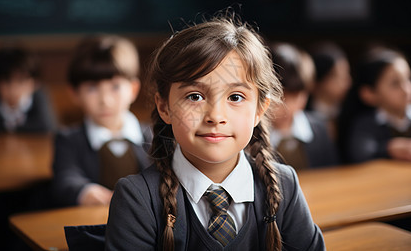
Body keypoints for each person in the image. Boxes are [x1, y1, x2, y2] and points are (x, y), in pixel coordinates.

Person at [105, 16, 324, 250]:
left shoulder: (284, 185)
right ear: (164, 107)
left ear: (260, 109)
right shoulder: (138, 198)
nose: (215, 116)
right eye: (195, 96)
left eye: (235, 97)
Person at [51, 35, 152, 207]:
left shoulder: (153, 136)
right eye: (92, 88)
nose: (105, 100)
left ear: (133, 90)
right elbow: (65, 177)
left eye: (115, 87)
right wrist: (84, 190)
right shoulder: (68, 140)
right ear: (75, 93)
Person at [339, 47, 411, 163]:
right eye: (395, 83)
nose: (406, 90)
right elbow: (359, 156)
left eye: (408, 79)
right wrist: (388, 149)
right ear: (369, 94)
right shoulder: (365, 124)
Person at [269, 43, 339, 170]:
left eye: (296, 96)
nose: (287, 107)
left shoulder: (319, 128)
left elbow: (331, 174)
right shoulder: (250, 135)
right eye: (279, 97)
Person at [0, 46, 56, 139]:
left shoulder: (39, 97)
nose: (13, 88)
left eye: (21, 81)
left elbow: (47, 127)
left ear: (35, 83)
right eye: (7, 82)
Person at [307, 41, 352, 141]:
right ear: (318, 81)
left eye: (347, 74)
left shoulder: (352, 113)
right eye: (339, 77)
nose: (348, 82)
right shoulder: (303, 113)